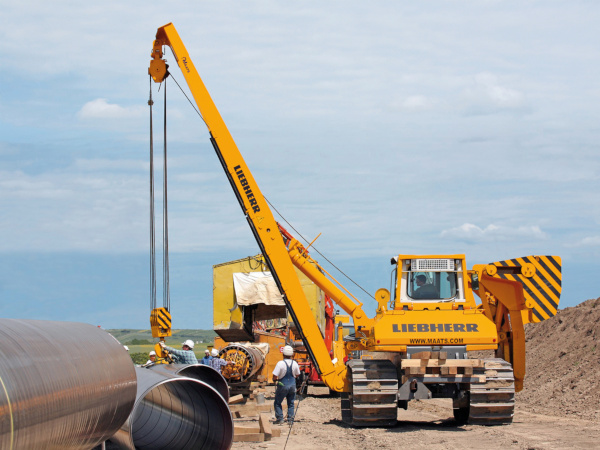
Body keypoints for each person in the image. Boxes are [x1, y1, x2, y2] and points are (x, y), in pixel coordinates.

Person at [272, 345, 300, 425]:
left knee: (277, 402)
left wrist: (275, 380)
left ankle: (280, 418)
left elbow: (275, 375)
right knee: (291, 403)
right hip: (292, 385)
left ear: (283, 354)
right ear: (291, 354)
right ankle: (290, 420)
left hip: (282, 384)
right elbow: (298, 374)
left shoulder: (280, 363)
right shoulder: (294, 363)